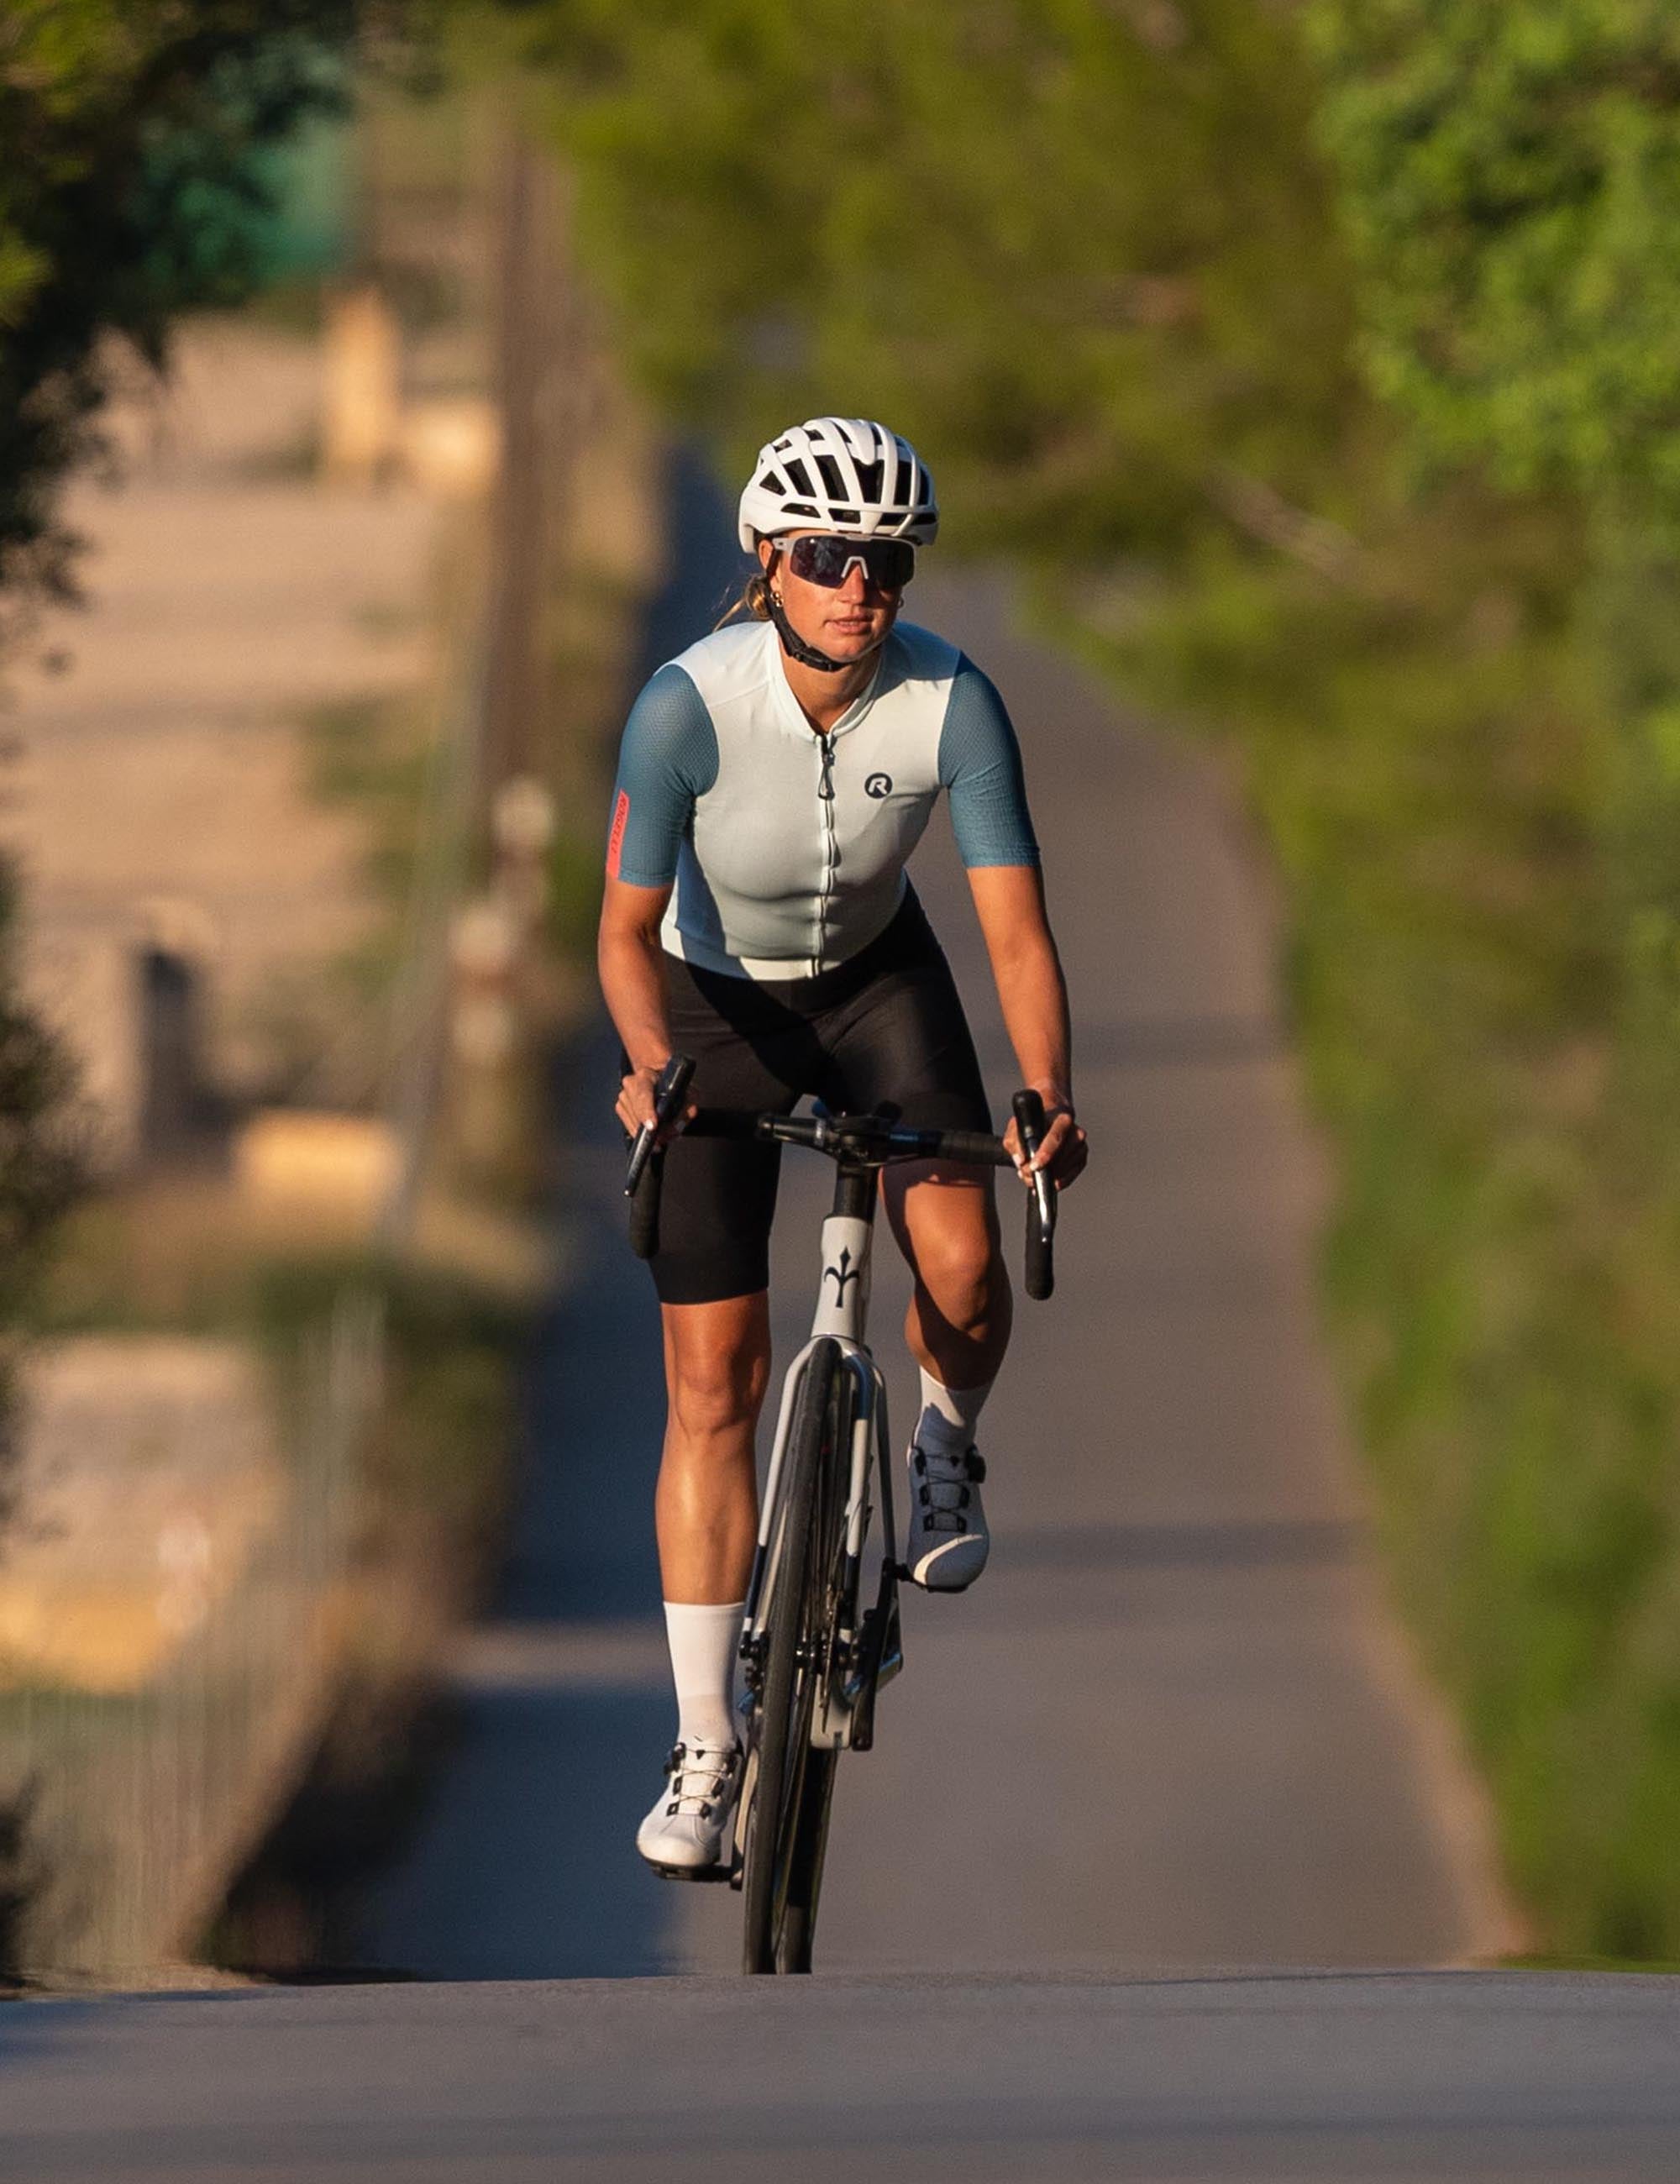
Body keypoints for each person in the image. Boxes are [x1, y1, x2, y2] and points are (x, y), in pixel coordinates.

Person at [597, 416, 1087, 1876]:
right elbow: (622, 935)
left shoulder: (954, 703)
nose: (859, 588)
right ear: (768, 562)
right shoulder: (685, 706)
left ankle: (944, 1443)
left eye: (884, 563)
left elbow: (1012, 928)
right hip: (707, 1005)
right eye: (826, 559)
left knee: (965, 1268)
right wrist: (645, 1070)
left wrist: (1046, 1091)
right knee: (712, 1381)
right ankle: (705, 1744)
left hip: (881, 984)